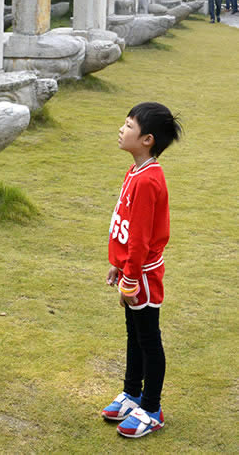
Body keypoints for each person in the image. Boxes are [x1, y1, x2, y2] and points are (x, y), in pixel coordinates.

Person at [101, 101, 182, 439]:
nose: (122, 129)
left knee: (148, 339)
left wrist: (131, 279)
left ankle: (152, 407)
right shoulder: (135, 171)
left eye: (129, 125)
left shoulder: (149, 180)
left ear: (147, 139)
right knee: (133, 334)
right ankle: (132, 392)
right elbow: (124, 224)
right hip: (131, 270)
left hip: (144, 275)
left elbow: (140, 237)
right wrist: (117, 266)